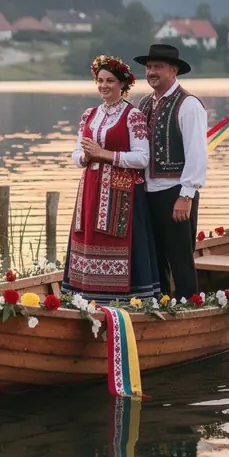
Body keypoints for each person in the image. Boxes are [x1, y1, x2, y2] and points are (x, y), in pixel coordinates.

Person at [62, 54, 160, 304]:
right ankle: (84, 296)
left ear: (122, 84)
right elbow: (76, 153)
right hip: (90, 189)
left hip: (122, 192)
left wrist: (104, 154)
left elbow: (142, 159)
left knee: (118, 239)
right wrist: (84, 158)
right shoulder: (89, 114)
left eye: (110, 81)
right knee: (87, 238)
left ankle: (126, 299)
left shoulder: (132, 115)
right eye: (100, 80)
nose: (104, 85)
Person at [133, 44, 208, 301]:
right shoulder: (143, 103)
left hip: (176, 192)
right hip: (147, 193)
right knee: (154, 258)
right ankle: (161, 307)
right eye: (149, 67)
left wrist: (186, 195)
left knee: (180, 258)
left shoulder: (188, 105)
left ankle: (189, 309)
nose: (152, 72)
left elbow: (197, 154)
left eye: (158, 67)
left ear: (174, 71)